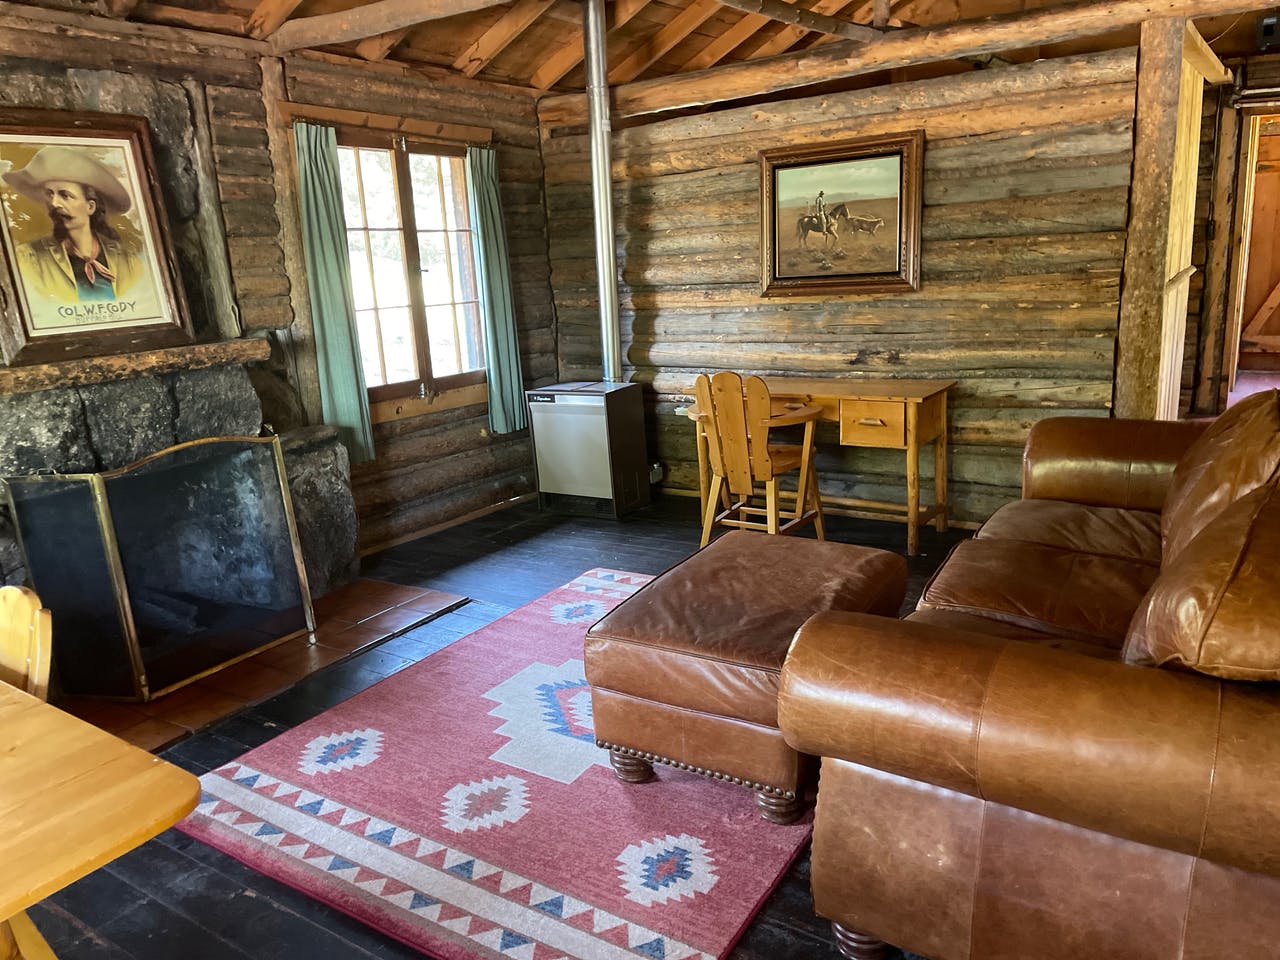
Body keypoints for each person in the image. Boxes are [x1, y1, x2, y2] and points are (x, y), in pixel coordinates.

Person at [2, 145, 145, 302]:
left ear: (90, 206)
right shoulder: (30, 259)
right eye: (50, 194)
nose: (54, 203)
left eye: (65, 195)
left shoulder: (128, 262)